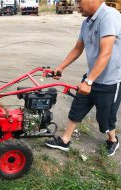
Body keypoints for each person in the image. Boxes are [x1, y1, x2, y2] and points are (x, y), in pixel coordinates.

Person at [45, 0, 121, 156]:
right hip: (91, 77)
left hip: (110, 80)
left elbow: (105, 53)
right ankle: (65, 140)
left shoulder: (109, 16)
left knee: (105, 118)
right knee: (77, 108)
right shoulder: (86, 22)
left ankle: (113, 140)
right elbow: (78, 48)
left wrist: (88, 81)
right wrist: (61, 67)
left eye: (79, 1)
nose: (76, 4)